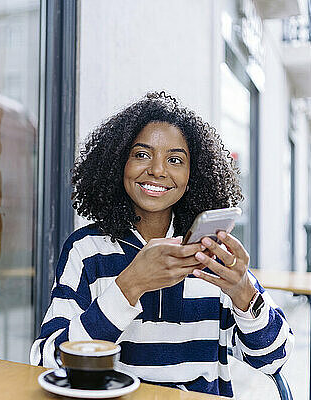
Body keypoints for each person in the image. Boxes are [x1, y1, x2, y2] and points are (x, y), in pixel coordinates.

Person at [30, 92, 293, 397]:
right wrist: (128, 287)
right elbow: (46, 360)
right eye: (141, 154)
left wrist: (243, 291)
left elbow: (274, 359)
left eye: (175, 160)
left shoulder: (211, 256)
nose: (157, 170)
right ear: (119, 162)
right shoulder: (87, 251)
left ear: (193, 174)